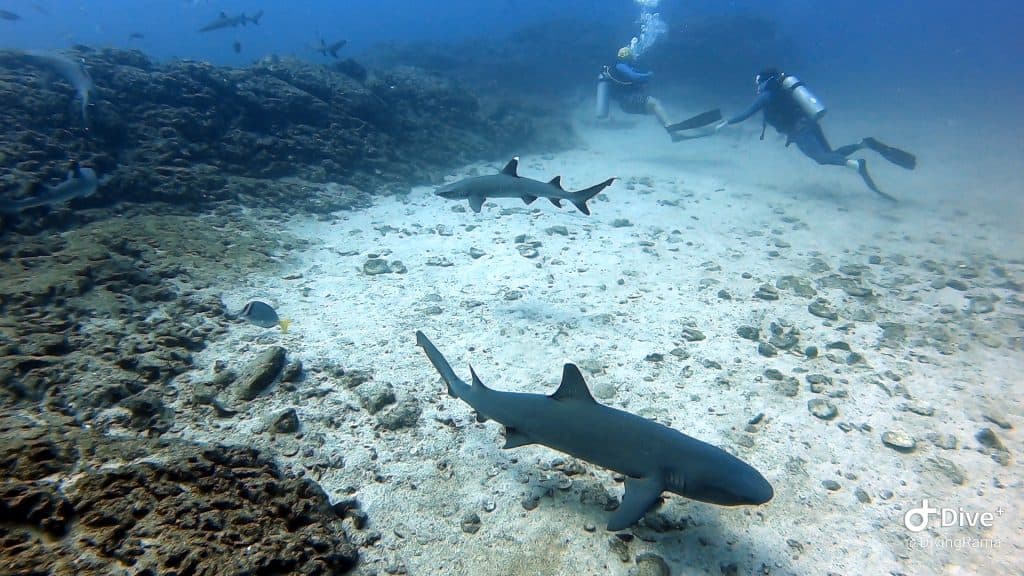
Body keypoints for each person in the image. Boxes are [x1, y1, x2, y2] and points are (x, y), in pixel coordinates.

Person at [711, 68, 916, 200]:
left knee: (821, 158)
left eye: (758, 81)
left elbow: (747, 113)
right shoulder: (783, 91)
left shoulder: (767, 95)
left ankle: (855, 164)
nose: (757, 85)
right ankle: (862, 143)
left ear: (764, 81)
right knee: (830, 153)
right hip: (809, 124)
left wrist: (726, 123)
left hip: (800, 132)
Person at [596, 46, 677, 138]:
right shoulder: (620, 66)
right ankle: (672, 129)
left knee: (656, 107)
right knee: (655, 103)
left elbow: (634, 76)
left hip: (625, 103)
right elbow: (635, 77)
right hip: (628, 100)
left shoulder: (618, 67)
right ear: (628, 57)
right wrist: (649, 75)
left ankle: (673, 133)